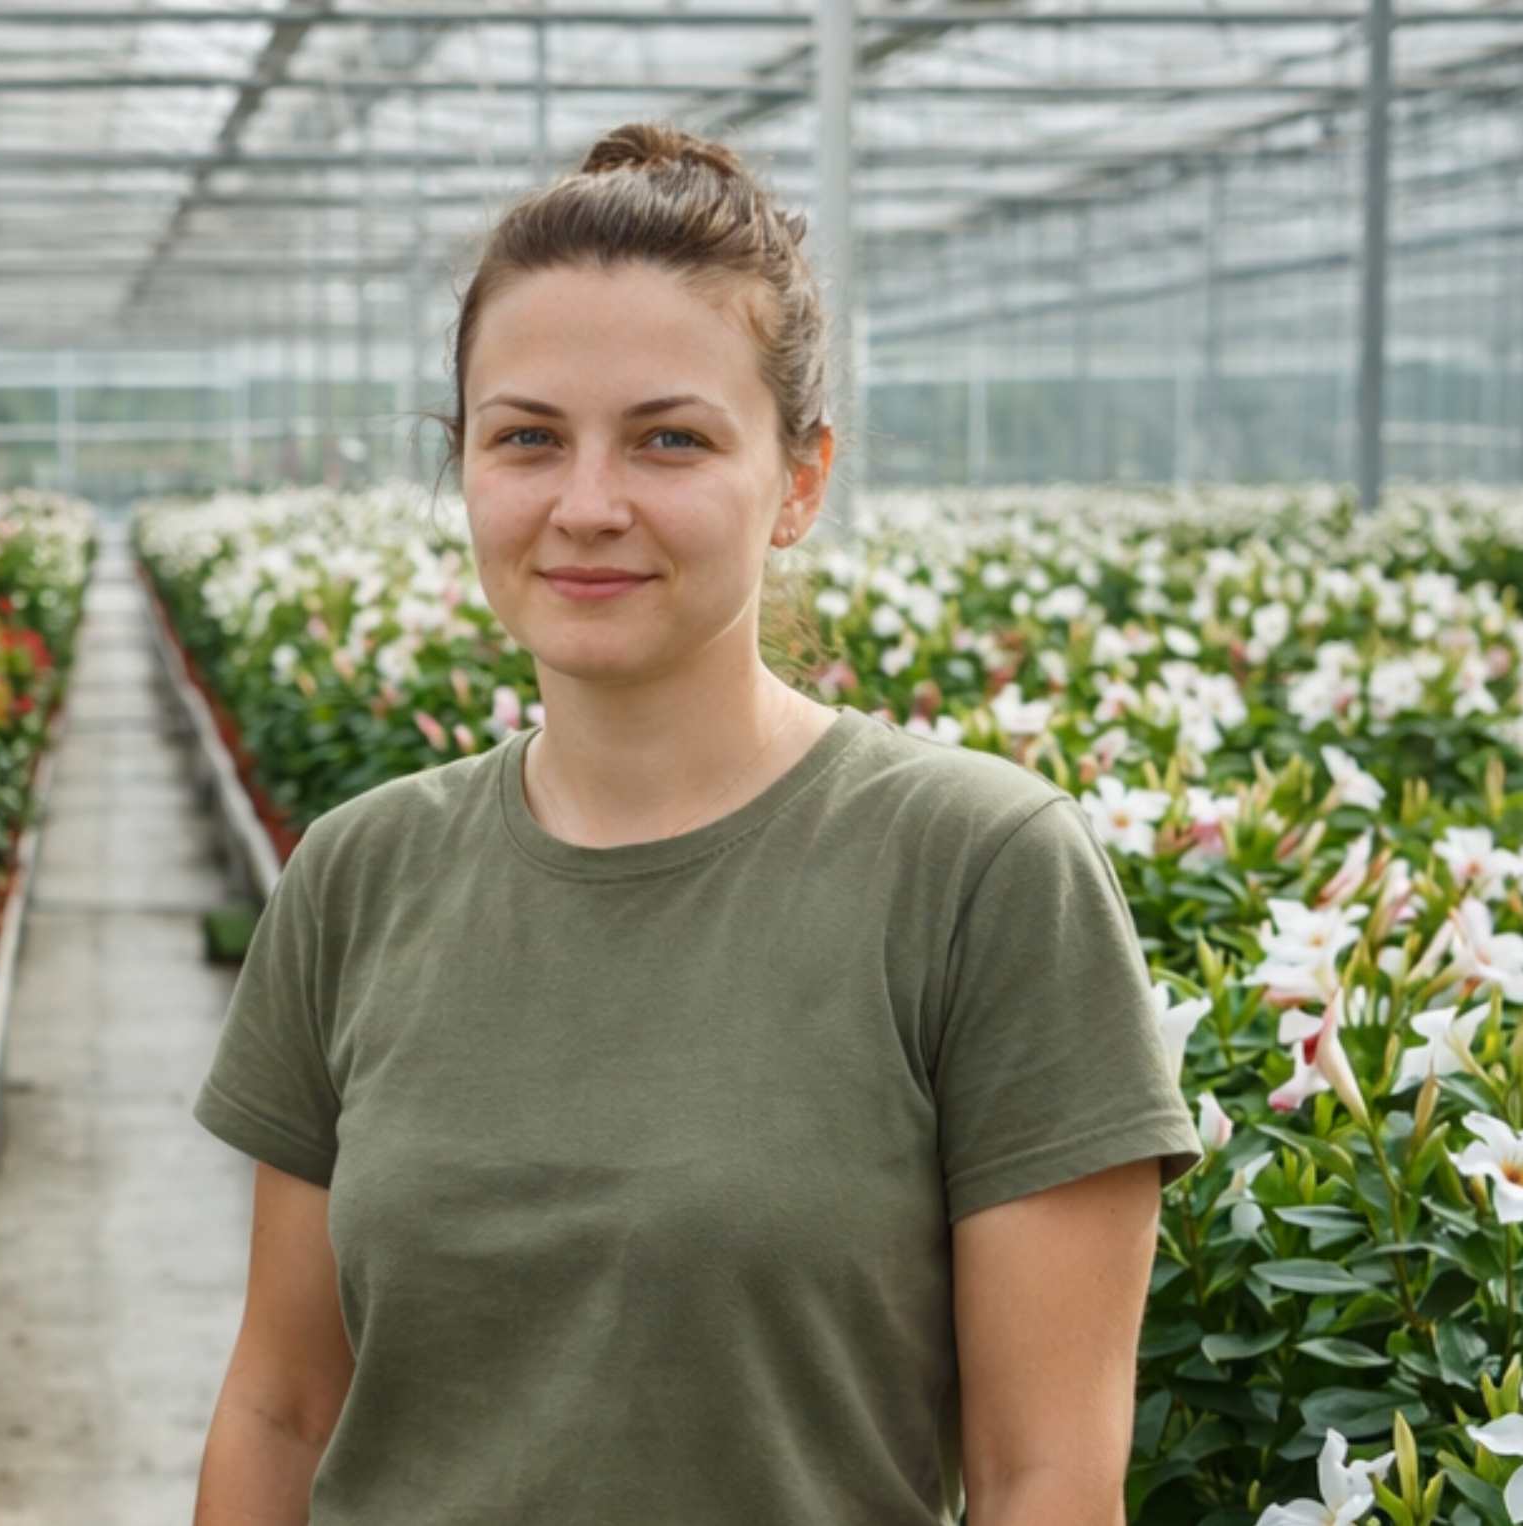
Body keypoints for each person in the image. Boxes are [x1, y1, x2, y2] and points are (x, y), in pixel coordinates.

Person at [190, 123, 1198, 1526]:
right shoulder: (360, 873)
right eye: (528, 438)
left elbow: (1051, 1476)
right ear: (464, 464)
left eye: (670, 439)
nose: (587, 505)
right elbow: (281, 1406)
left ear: (800, 480)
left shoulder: (979, 870)